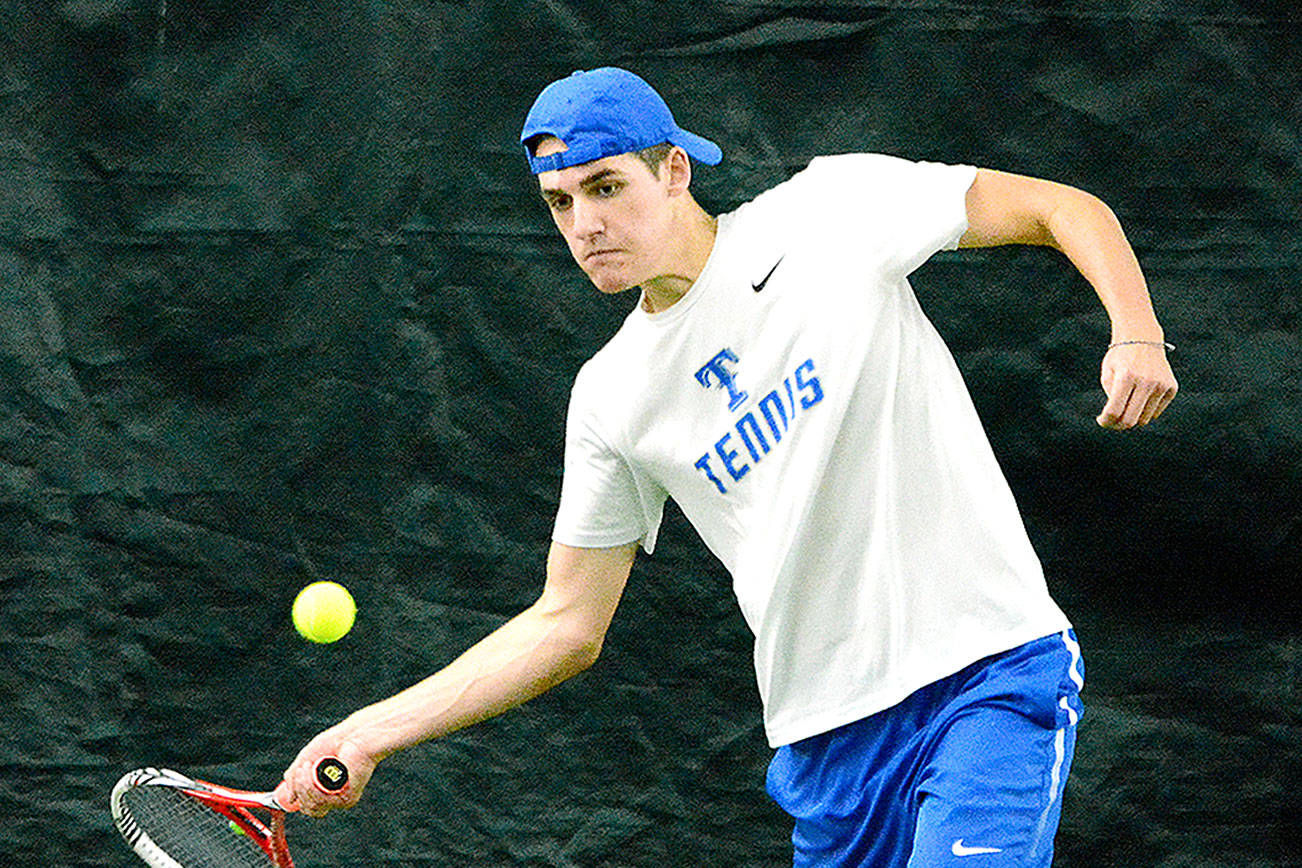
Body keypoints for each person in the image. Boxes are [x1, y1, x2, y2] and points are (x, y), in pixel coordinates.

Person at [277, 67, 1178, 865]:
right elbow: (566, 623)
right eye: (560, 203)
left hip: (986, 672)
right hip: (826, 747)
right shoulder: (612, 394)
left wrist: (1136, 331)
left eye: (605, 186)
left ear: (675, 170)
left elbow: (1062, 207)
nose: (585, 225)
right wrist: (370, 732)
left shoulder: (828, 213)